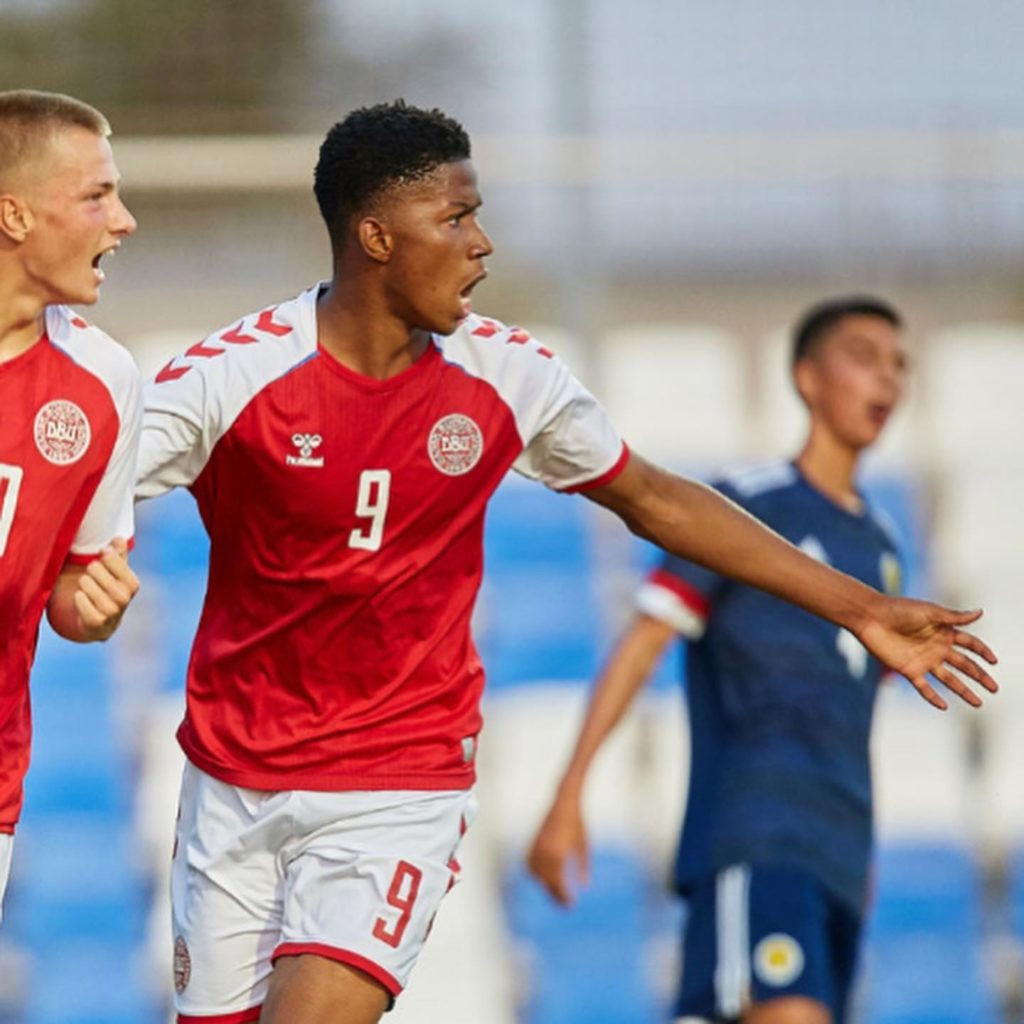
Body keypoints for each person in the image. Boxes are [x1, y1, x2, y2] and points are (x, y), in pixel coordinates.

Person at [135, 103, 996, 1024]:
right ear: (375, 236)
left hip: (395, 785)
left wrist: (856, 607)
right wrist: (79, 571)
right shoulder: (233, 377)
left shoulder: (510, 376)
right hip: (232, 780)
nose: (483, 244)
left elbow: (655, 498)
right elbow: (86, 497)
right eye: (456, 219)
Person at [527, 297, 927, 1024]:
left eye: (899, 365)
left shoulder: (886, 549)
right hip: (759, 833)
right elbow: (645, 641)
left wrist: (862, 848)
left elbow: (854, 714)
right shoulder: (743, 510)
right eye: (865, 357)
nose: (888, 381)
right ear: (808, 377)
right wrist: (568, 792)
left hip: (837, 852)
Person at [0, 89, 141, 919]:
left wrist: (98, 608)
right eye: (96, 196)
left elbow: (73, 596)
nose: (122, 221)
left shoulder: (104, 384)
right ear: (14, 217)